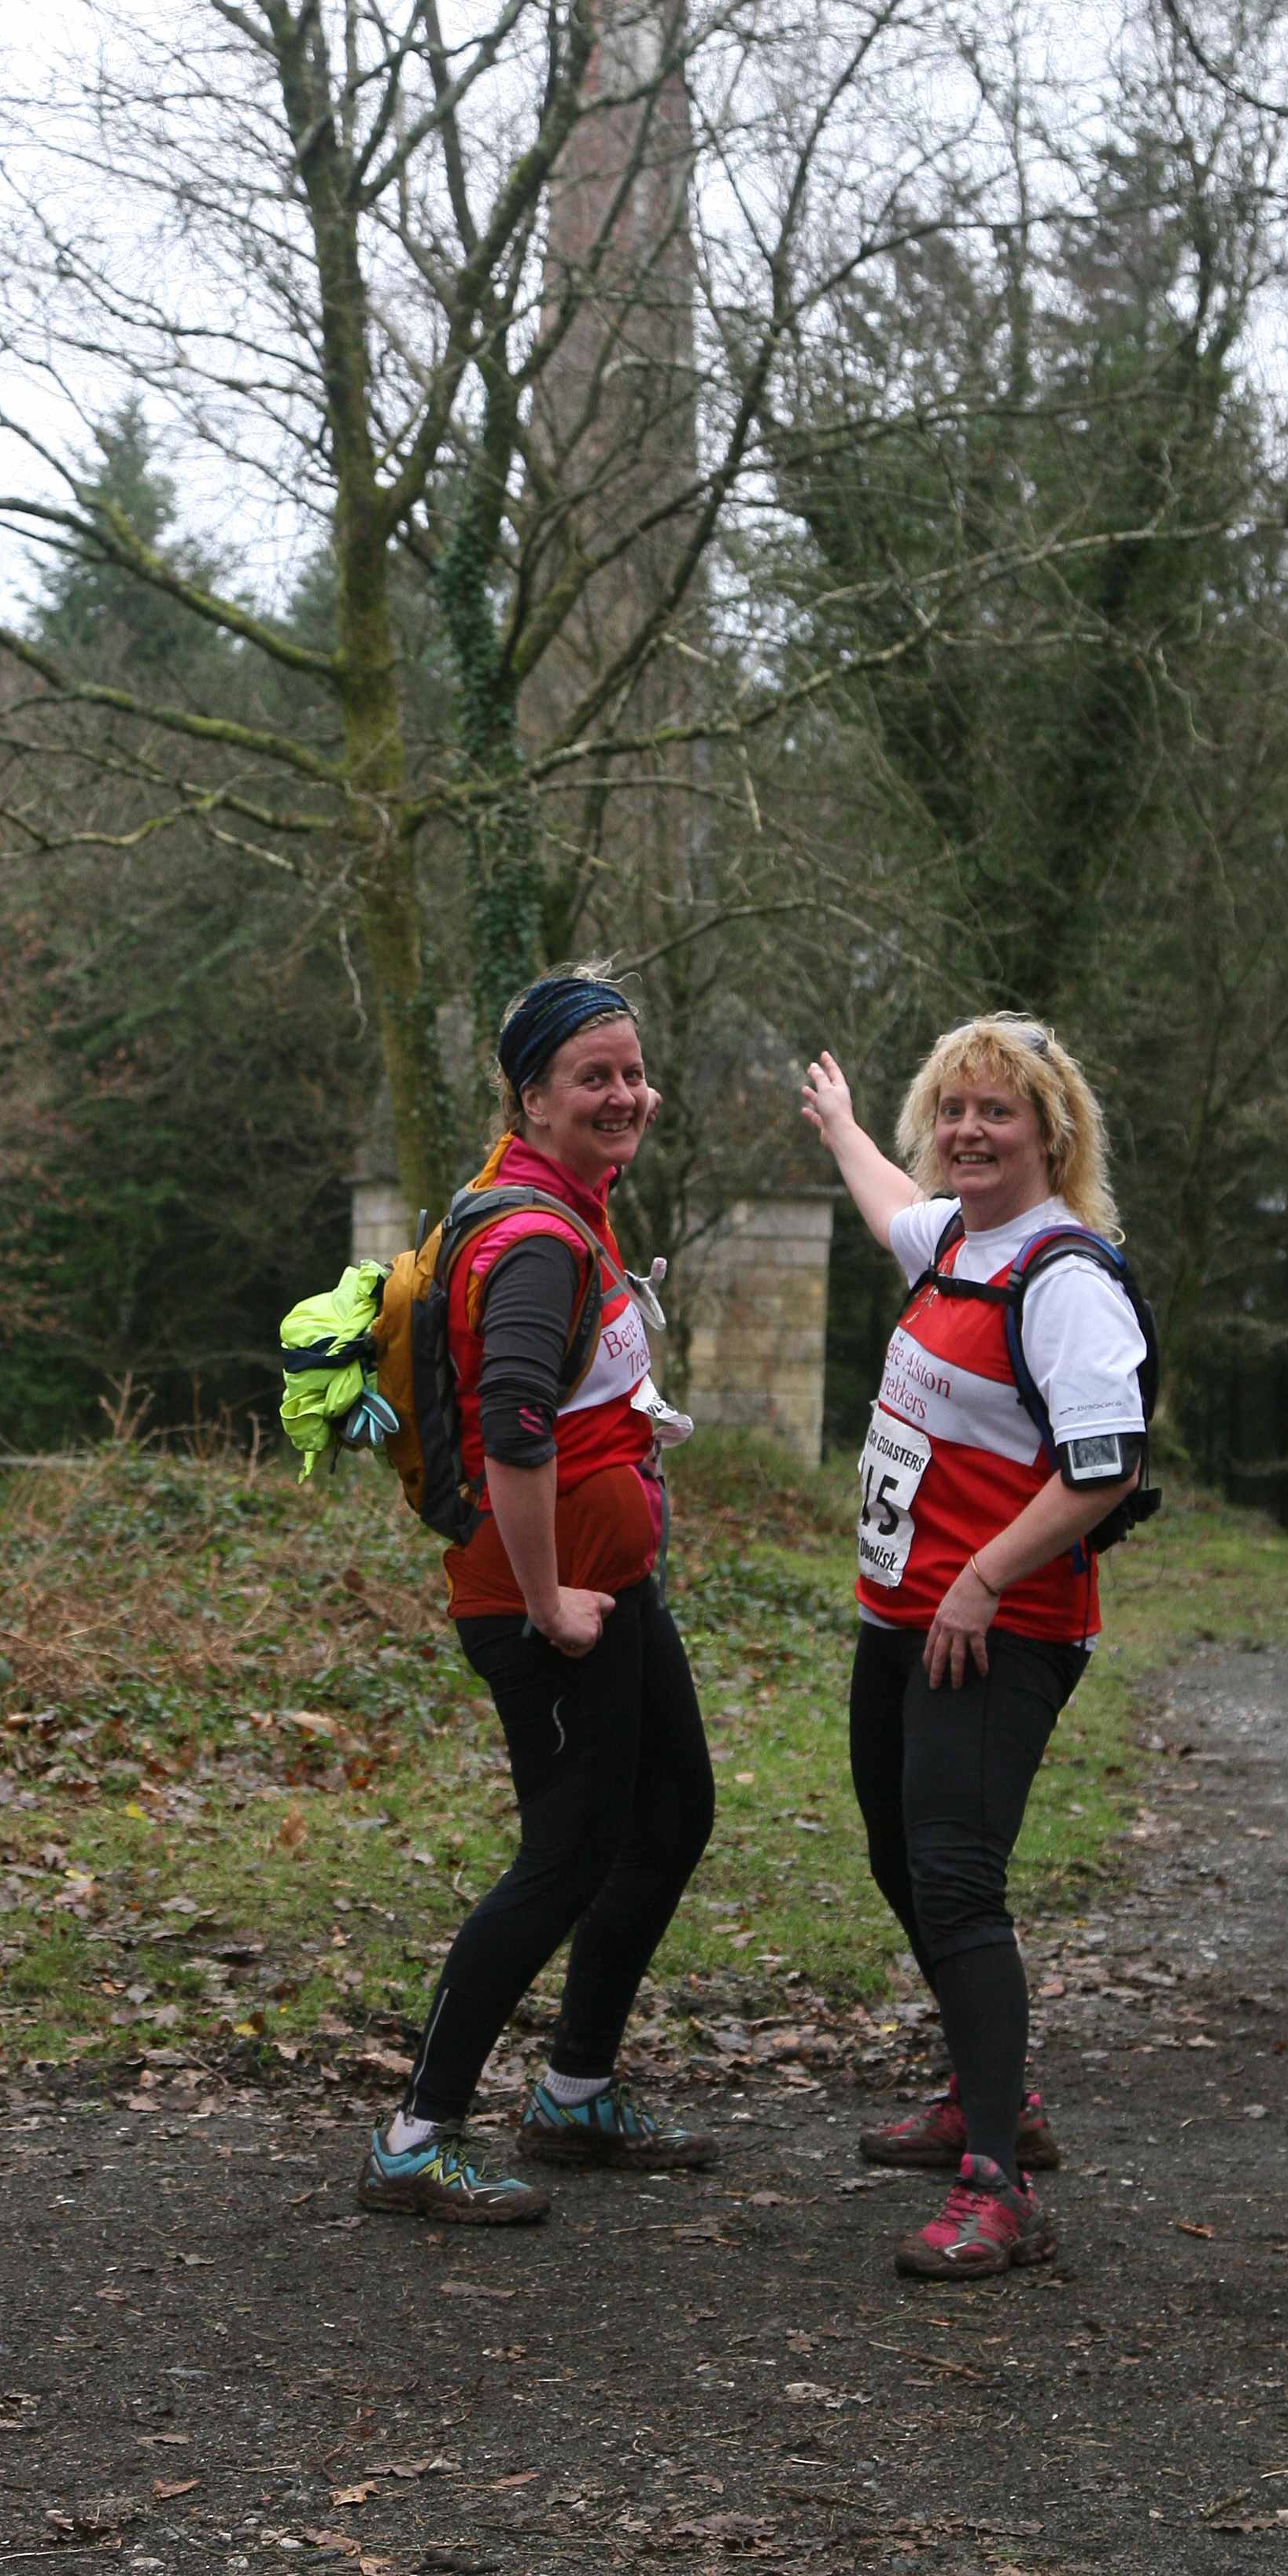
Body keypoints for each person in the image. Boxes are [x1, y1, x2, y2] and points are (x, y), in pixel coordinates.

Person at [358, 968, 716, 2224]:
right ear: (533, 1096)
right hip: (545, 1606)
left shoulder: (571, 1200)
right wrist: (551, 1595)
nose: (624, 1096)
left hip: (612, 1587)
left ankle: (573, 2091)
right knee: (564, 1861)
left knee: (672, 1814)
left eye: (631, 1072)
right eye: (593, 1078)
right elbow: (513, 1429)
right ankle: (415, 2137)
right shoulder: (533, 1240)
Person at [801, 1015, 1147, 2278]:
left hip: (996, 1635)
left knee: (954, 1878)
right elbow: (891, 1204)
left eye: (996, 1112)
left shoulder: (1064, 1279)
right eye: (953, 1110)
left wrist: (985, 1579)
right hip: (903, 1619)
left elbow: (1105, 1464)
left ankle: (999, 2186)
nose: (968, 1132)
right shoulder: (955, 1242)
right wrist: (841, 1129)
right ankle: (986, 2090)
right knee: (904, 1861)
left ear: (1052, 1134)